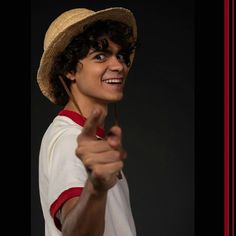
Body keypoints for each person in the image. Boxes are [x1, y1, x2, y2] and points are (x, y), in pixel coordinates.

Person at [37, 6, 138, 236]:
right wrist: (95, 189)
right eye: (100, 56)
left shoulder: (88, 138)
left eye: (120, 55)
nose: (118, 66)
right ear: (70, 69)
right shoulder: (69, 139)